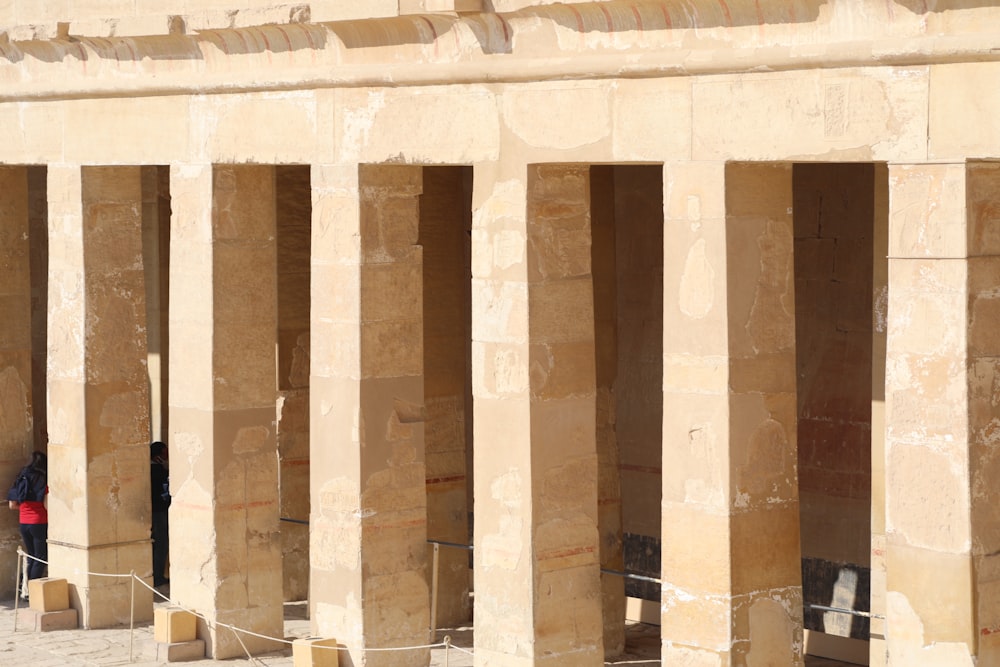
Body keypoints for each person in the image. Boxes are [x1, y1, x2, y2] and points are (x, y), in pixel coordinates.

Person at [7, 451, 48, 584]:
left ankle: (25, 587)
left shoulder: (20, 478)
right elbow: (47, 505)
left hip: (24, 521)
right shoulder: (43, 479)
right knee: (40, 556)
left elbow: (12, 505)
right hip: (39, 521)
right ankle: (32, 589)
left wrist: (26, 509)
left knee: (30, 555)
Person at [150, 441, 170, 588]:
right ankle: (157, 576)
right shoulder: (157, 470)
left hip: (158, 510)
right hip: (158, 511)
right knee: (161, 544)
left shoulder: (157, 469)